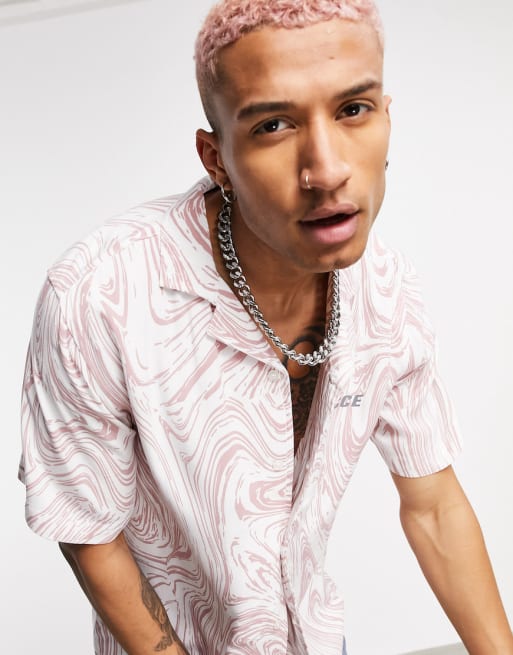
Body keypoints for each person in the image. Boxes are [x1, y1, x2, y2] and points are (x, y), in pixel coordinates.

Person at [19, 0, 513, 654]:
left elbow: (434, 505)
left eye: (353, 109)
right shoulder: (100, 294)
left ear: (386, 118)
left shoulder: (387, 289)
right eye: (273, 125)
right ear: (216, 157)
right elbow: (89, 530)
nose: (327, 170)